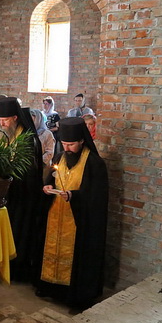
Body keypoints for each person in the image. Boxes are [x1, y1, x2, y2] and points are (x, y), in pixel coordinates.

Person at [38, 117, 108, 309]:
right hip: (55, 215)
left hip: (78, 221)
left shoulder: (94, 164)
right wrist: (47, 187)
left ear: (82, 141)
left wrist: (73, 196)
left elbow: (96, 198)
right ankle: (49, 287)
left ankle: (73, 295)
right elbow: (50, 179)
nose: (67, 148)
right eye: (64, 144)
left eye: (71, 144)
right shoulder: (60, 158)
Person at [0, 97, 45, 281]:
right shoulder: (4, 134)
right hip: (7, 193)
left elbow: (29, 171)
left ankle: (16, 270)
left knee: (19, 231)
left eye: (5, 121)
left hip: (24, 195)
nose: (2, 124)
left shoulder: (28, 138)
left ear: (15, 118)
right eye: (0, 121)